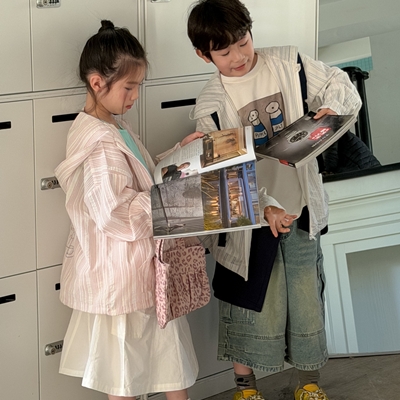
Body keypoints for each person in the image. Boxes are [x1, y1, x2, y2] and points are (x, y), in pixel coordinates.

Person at [186, 1, 362, 400]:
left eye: (243, 42)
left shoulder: (288, 63)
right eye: (224, 51)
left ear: (251, 32)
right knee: (247, 300)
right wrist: (264, 208)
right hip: (252, 219)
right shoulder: (210, 108)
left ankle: (308, 384)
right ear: (203, 55)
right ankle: (246, 389)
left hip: (300, 207)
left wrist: (330, 108)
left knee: (305, 298)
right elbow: (225, 183)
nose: (239, 56)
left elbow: (339, 82)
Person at [54, 20, 203, 400]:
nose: (135, 95)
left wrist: (180, 155)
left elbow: (140, 176)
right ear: (97, 83)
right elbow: (114, 212)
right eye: (129, 87)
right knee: (129, 376)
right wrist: (171, 193)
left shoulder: (115, 126)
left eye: (138, 86)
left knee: (165, 365)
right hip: (122, 272)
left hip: (141, 267)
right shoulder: (101, 142)